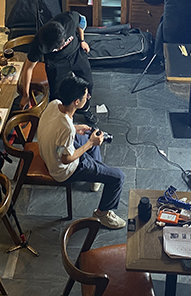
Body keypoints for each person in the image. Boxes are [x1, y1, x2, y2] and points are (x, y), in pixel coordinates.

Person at [36, 75, 126, 229]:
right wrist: (90, 143)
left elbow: (58, 128)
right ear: (76, 102)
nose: (88, 97)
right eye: (86, 95)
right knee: (117, 177)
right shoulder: (66, 128)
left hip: (49, 151)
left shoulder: (54, 104)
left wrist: (76, 128)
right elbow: (66, 159)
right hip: (62, 170)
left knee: (92, 135)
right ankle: (102, 214)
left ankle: (95, 176)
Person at [19, 10, 96, 124]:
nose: (59, 49)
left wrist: (82, 40)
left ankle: (85, 109)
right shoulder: (39, 43)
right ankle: (60, 119)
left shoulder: (69, 20)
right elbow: (28, 68)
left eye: (60, 46)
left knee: (88, 83)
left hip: (76, 54)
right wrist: (25, 95)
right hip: (56, 63)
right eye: (56, 49)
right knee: (56, 95)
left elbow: (82, 20)